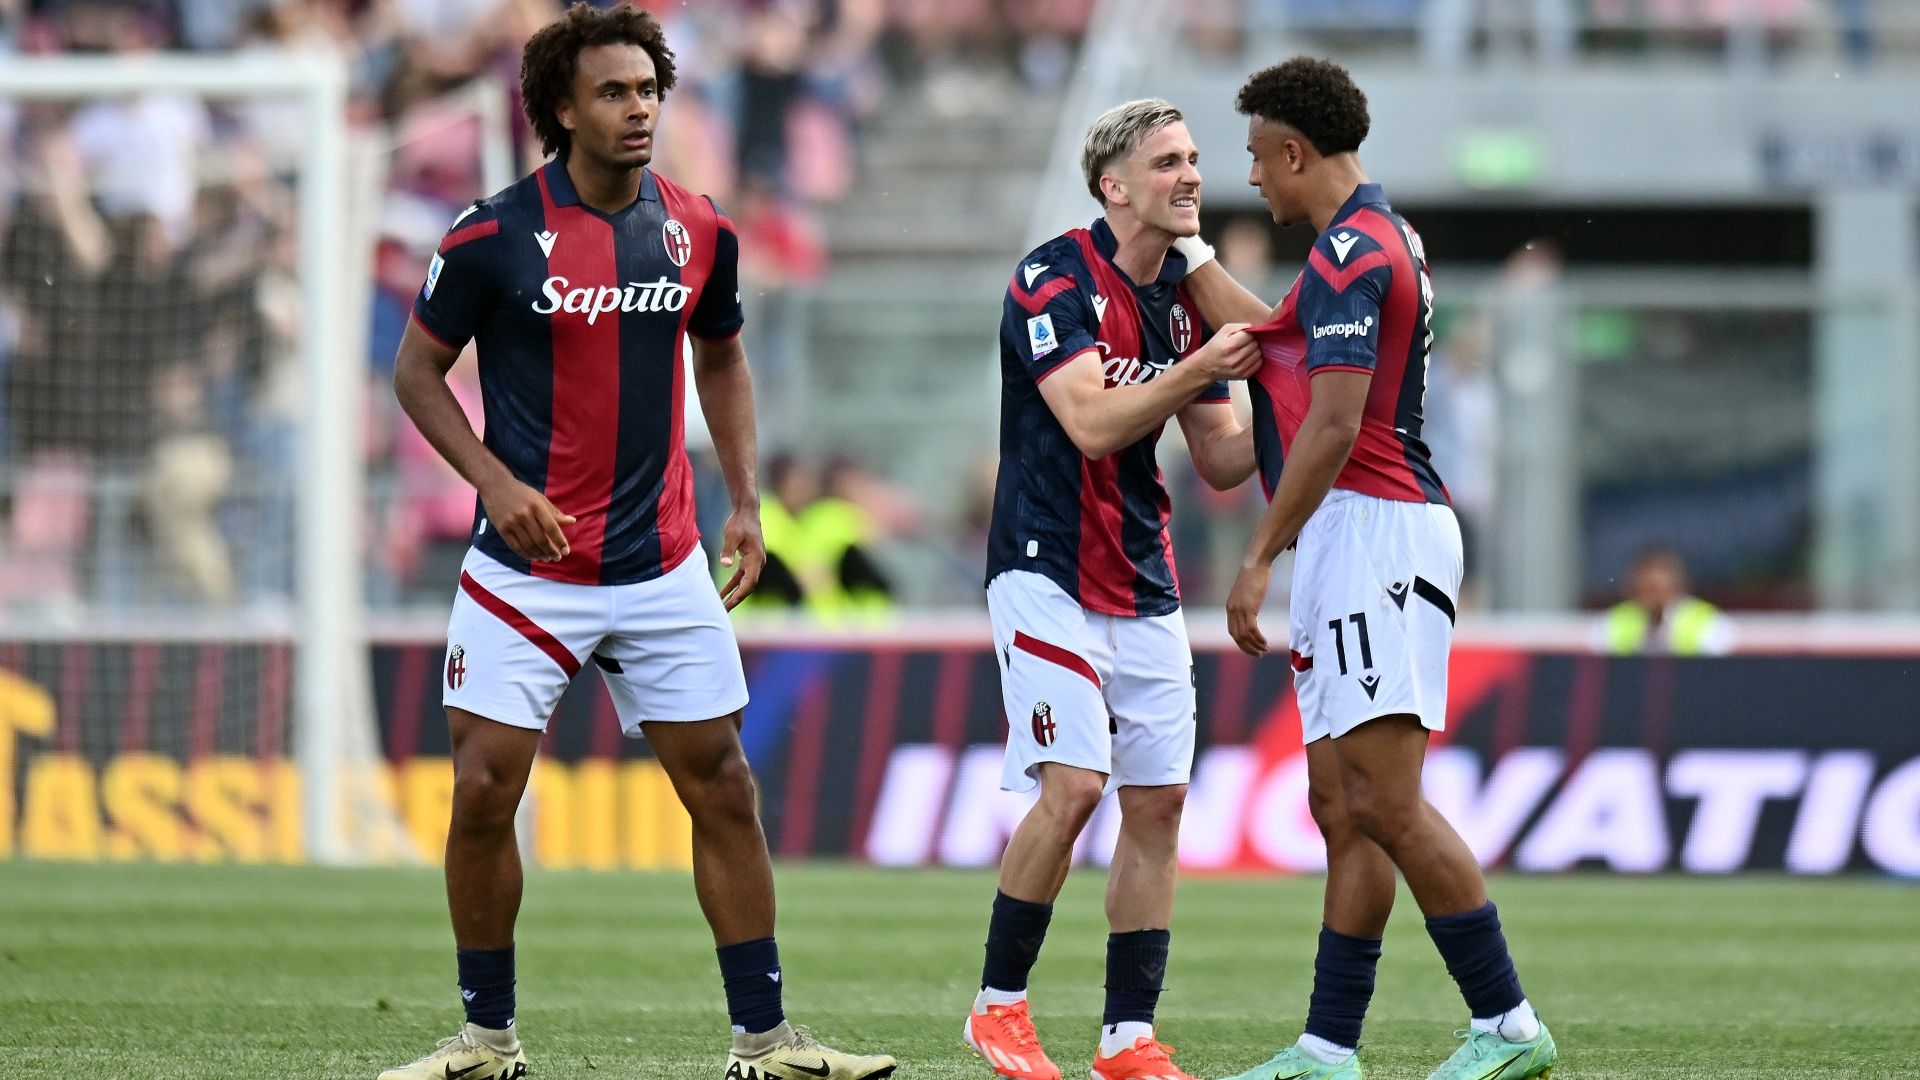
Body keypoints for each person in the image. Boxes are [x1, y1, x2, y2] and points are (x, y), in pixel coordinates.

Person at [383, 6, 896, 1080]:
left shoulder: (699, 228)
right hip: (526, 572)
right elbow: (416, 374)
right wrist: (496, 484)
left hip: (662, 563)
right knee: (483, 792)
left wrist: (744, 501)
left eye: (650, 91)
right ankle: (487, 1041)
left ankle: (766, 1043)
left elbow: (723, 358)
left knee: (725, 787)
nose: (639, 110)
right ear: (562, 110)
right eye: (613, 92)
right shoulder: (489, 235)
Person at [1171, 58, 1558, 1080]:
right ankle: (1327, 1047)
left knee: (1386, 802)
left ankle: (1509, 1023)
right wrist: (1185, 248)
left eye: (1259, 156)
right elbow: (1269, 337)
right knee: (1342, 807)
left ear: (1296, 151)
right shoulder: (1371, 239)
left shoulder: (1351, 252)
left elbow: (1335, 424)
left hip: (1379, 531)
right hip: (1357, 533)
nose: (1253, 175)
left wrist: (1258, 556)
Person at [965, 98, 1262, 1080]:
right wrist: (1199, 366)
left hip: (1143, 574)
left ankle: (1126, 1039)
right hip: (1044, 566)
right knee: (1076, 787)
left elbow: (1220, 460)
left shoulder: (1184, 298)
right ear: (1114, 185)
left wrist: (1307, 406)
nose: (1192, 175)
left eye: (1194, 158)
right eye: (1168, 161)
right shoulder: (1052, 278)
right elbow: (1091, 423)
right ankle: (998, 1009)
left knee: (1160, 803)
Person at [1598, 545, 1734, 655]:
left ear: (1676, 584)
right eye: (1647, 588)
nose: (1653, 596)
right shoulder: (1616, 621)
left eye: (1657, 588)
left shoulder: (1706, 622)